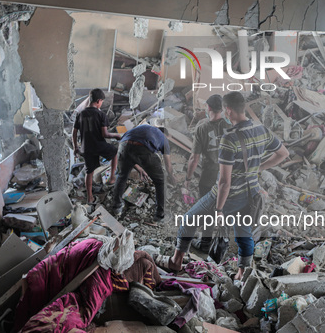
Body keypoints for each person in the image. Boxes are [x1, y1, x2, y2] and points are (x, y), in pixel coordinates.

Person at [160, 91, 289, 280]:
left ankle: (176, 261)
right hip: (252, 192)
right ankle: (242, 272)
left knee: (187, 221)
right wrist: (258, 168)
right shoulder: (262, 130)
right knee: (243, 232)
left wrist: (219, 210)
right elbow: (283, 153)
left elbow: (224, 182)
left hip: (229, 195)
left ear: (228, 110)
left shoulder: (229, 139)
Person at [184, 94, 229, 252]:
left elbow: (194, 159)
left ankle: (205, 243)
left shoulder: (202, 127)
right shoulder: (230, 126)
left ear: (208, 107)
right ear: (222, 108)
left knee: (209, 211)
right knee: (225, 208)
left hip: (209, 177)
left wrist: (188, 179)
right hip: (229, 176)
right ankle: (226, 242)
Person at [112, 123, 177, 222]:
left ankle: (116, 208)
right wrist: (171, 176)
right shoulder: (163, 138)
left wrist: (140, 168)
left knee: (122, 176)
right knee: (160, 181)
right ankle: (160, 215)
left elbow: (130, 149)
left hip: (123, 146)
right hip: (143, 149)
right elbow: (168, 165)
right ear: (166, 134)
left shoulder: (143, 128)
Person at [72, 88, 121, 204]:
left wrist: (75, 148)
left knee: (89, 172)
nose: (101, 104)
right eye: (102, 102)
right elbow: (105, 134)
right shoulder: (101, 114)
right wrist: (116, 135)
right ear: (98, 100)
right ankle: (112, 178)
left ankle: (90, 197)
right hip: (99, 145)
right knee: (114, 152)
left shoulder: (80, 114)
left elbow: (73, 133)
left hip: (86, 148)